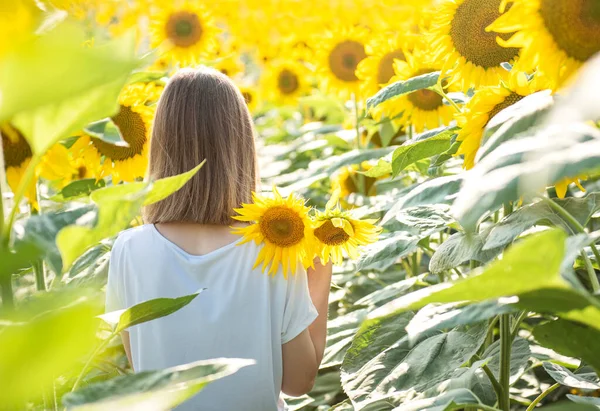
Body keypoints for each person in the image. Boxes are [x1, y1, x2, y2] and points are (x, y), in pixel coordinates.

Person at [105, 67, 333, 411]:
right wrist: (318, 282)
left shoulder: (128, 249)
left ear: (161, 144)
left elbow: (144, 368)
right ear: (241, 144)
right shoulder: (271, 250)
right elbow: (299, 382)